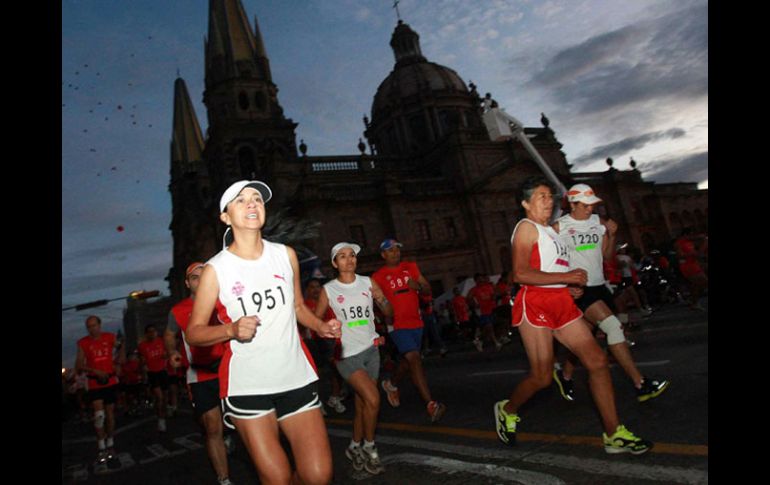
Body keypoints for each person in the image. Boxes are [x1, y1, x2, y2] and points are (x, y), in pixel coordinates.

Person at [185, 180, 341, 485]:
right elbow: (194, 332)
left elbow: (297, 306)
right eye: (241, 200)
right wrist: (230, 329)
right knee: (277, 478)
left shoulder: (285, 255)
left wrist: (321, 325)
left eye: (256, 198)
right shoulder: (216, 270)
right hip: (247, 385)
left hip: (294, 374)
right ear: (225, 217)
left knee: (318, 475)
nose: (252, 203)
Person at [493, 176, 651, 455]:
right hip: (536, 305)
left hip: (561, 303)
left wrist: (567, 287)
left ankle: (614, 434)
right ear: (525, 203)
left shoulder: (553, 233)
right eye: (540, 196)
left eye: (550, 196)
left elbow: (552, 269)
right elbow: (520, 274)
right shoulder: (526, 229)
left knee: (598, 361)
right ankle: (507, 409)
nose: (547, 200)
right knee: (542, 377)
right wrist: (566, 276)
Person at [551, 183, 669, 403]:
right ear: (572, 204)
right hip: (580, 290)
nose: (590, 209)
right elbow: (548, 261)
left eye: (593, 205)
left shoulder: (598, 223)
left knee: (585, 339)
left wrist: (612, 235)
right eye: (585, 205)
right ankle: (640, 384)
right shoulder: (559, 227)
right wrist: (564, 284)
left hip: (599, 286)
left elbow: (606, 256)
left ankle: (565, 375)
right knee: (614, 328)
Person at [314, 242, 393, 475]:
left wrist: (384, 302)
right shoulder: (328, 289)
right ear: (334, 263)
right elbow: (316, 323)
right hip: (346, 354)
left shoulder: (368, 283)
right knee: (374, 398)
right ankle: (370, 446)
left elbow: (388, 312)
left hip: (371, 350)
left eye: (352, 255)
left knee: (362, 405)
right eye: (342, 256)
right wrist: (327, 328)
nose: (348, 259)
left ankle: (354, 446)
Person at [165, 262, 234, 485]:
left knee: (243, 421)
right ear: (188, 283)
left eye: (203, 275)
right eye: (194, 277)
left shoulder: (225, 301)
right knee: (212, 427)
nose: (199, 279)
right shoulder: (178, 310)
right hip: (200, 375)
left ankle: (230, 434)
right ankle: (224, 479)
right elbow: (168, 334)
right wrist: (172, 350)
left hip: (231, 369)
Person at [372, 238, 447, 422]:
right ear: (383, 255)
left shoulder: (410, 267)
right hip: (396, 325)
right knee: (414, 358)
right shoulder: (378, 277)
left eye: (397, 250)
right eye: (390, 251)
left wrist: (419, 287)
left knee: (409, 361)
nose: (395, 253)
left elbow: (428, 289)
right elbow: (375, 302)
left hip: (416, 323)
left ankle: (391, 383)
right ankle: (430, 404)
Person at [75, 315, 125, 465]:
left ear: (100, 325)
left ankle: (110, 444)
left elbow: (120, 346)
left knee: (110, 414)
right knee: (99, 415)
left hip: (109, 380)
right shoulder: (83, 343)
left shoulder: (109, 337)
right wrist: (95, 371)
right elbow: (79, 365)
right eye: (89, 326)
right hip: (94, 382)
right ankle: (101, 447)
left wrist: (119, 361)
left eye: (94, 325)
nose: (92, 329)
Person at [303, 277, 347, 415]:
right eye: (312, 287)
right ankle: (317, 402)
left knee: (336, 369)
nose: (316, 290)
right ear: (307, 290)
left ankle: (334, 397)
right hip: (311, 343)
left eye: (318, 287)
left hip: (328, 341)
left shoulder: (325, 303)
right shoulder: (302, 306)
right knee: (317, 374)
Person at [138, 324, 169, 432]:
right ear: (146, 334)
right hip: (152, 373)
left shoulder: (161, 341)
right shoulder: (142, 345)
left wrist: (166, 356)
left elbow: (167, 353)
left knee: (164, 397)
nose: (152, 334)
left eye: (153, 331)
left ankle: (163, 414)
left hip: (163, 371)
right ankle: (161, 419)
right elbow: (142, 360)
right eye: (149, 332)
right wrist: (144, 372)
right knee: (159, 397)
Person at [467, 273, 502, 352]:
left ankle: (479, 340)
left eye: (481, 278)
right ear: (475, 281)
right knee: (489, 326)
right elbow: (468, 298)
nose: (480, 280)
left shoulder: (489, 286)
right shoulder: (474, 289)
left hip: (492, 309)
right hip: (483, 311)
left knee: (489, 329)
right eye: (478, 279)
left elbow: (495, 294)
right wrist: (474, 304)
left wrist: (494, 296)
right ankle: (496, 342)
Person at [674, 228, 708, 310]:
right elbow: (680, 256)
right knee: (704, 282)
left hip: (694, 264)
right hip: (687, 266)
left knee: (696, 285)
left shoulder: (690, 243)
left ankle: (694, 302)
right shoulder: (678, 243)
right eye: (690, 235)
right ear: (685, 235)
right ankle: (693, 302)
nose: (692, 236)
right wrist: (693, 254)